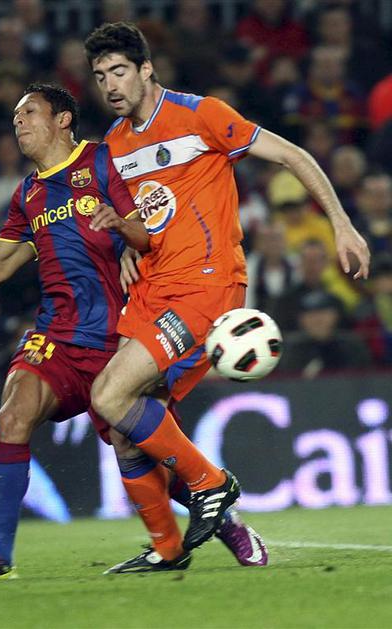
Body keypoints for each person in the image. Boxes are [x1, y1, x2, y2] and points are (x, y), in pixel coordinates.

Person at [0, 82, 265, 579]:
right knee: (12, 415)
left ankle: (221, 521)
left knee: (141, 447)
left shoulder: (105, 161)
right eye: (15, 116)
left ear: (63, 119)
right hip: (57, 336)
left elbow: (149, 221)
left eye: (29, 112)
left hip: (120, 333)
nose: (19, 121)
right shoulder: (26, 195)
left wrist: (133, 244)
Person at [84, 21, 370, 572]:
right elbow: (146, 224)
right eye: (100, 76)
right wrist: (124, 241)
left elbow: (293, 155)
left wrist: (341, 223)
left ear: (146, 69)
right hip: (151, 289)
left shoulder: (202, 115)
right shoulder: (116, 145)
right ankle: (188, 542)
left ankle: (212, 484)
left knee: (109, 394)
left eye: (119, 71)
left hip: (206, 285)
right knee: (127, 433)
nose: (111, 85)